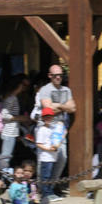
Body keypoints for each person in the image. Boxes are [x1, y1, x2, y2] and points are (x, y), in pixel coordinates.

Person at [32, 64, 75, 192]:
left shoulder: (67, 90)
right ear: (50, 76)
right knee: (44, 160)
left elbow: (73, 108)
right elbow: (47, 109)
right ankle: (42, 190)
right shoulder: (45, 90)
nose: (58, 77)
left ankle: (50, 187)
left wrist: (57, 105)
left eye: (60, 75)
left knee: (62, 158)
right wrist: (63, 106)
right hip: (46, 127)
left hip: (59, 128)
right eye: (55, 75)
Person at [0, 74, 31, 170]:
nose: (25, 88)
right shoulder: (11, 98)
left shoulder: (13, 97)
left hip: (12, 131)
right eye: (23, 85)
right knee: (6, 157)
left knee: (7, 156)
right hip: (9, 132)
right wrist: (20, 118)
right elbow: (4, 115)